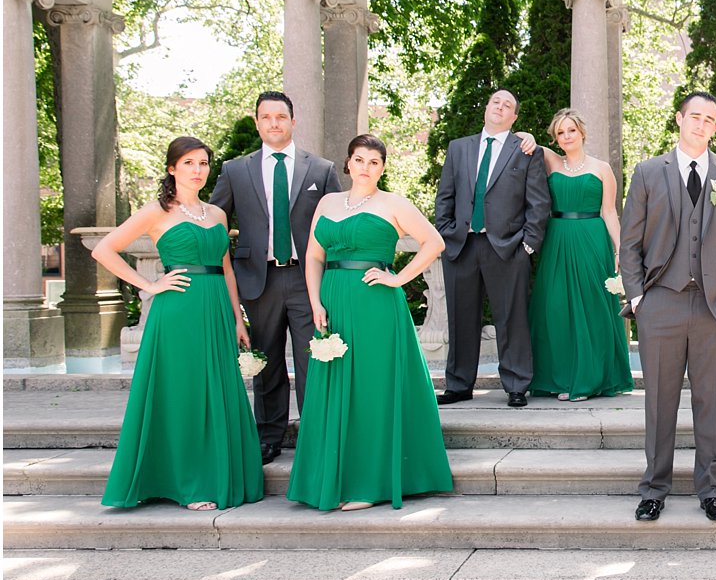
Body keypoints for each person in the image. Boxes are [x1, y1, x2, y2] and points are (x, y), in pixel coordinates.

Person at [95, 136, 263, 511]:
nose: (197, 170)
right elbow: (103, 248)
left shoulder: (217, 214)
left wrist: (238, 318)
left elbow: (225, 269)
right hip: (178, 312)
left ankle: (219, 473)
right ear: (172, 168)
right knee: (184, 394)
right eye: (189, 163)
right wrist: (150, 285)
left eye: (203, 163)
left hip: (217, 309)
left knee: (216, 390)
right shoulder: (156, 211)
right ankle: (190, 485)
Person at [287, 134, 453, 511]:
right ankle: (329, 478)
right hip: (332, 301)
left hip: (375, 305)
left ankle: (368, 484)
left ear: (382, 168)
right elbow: (314, 256)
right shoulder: (328, 202)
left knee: (371, 389)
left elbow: (434, 242)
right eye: (359, 160)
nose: (366, 167)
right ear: (348, 163)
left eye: (374, 162)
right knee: (334, 387)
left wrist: (397, 278)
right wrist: (315, 300)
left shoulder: (393, 203)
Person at [620, 91, 716, 523]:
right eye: (694, 116)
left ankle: (711, 489)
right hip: (660, 302)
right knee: (658, 401)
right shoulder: (646, 173)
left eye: (709, 119)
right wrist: (639, 297)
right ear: (680, 119)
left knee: (714, 402)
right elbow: (630, 243)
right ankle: (654, 488)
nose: (701, 124)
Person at [210, 90, 341, 465]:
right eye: (266, 117)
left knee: (314, 359)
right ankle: (268, 436)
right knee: (264, 360)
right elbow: (215, 220)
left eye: (280, 117)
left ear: (292, 121)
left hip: (307, 279)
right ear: (257, 123)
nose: (274, 124)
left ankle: (316, 434)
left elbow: (336, 223)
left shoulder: (321, 169)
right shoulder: (236, 170)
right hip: (257, 278)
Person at [434, 89, 550, 407]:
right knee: (461, 317)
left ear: (514, 118)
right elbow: (445, 196)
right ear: (486, 108)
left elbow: (538, 204)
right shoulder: (459, 148)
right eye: (495, 102)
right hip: (461, 246)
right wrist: (445, 235)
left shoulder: (525, 151)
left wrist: (527, 246)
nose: (500, 107)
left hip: (508, 248)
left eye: (508, 105)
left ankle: (516, 385)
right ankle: (458, 384)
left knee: (512, 318)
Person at [528, 108, 633, 401]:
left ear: (582, 132)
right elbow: (525, 140)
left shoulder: (602, 168)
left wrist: (620, 249)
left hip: (591, 239)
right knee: (555, 309)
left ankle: (590, 379)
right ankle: (560, 378)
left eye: (570, 130)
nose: (565, 136)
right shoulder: (551, 162)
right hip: (557, 240)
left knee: (593, 308)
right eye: (559, 132)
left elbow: (609, 212)